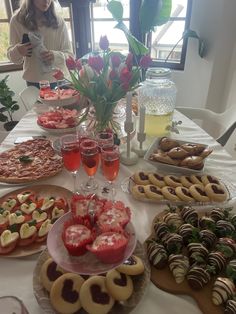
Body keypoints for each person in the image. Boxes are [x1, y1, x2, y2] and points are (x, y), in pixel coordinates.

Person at [7, 0, 74, 89]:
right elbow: (13, 58)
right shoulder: (17, 21)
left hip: (61, 80)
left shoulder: (59, 21)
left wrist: (55, 56)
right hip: (34, 82)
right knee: (37, 103)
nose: (47, 1)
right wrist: (18, 51)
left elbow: (70, 56)